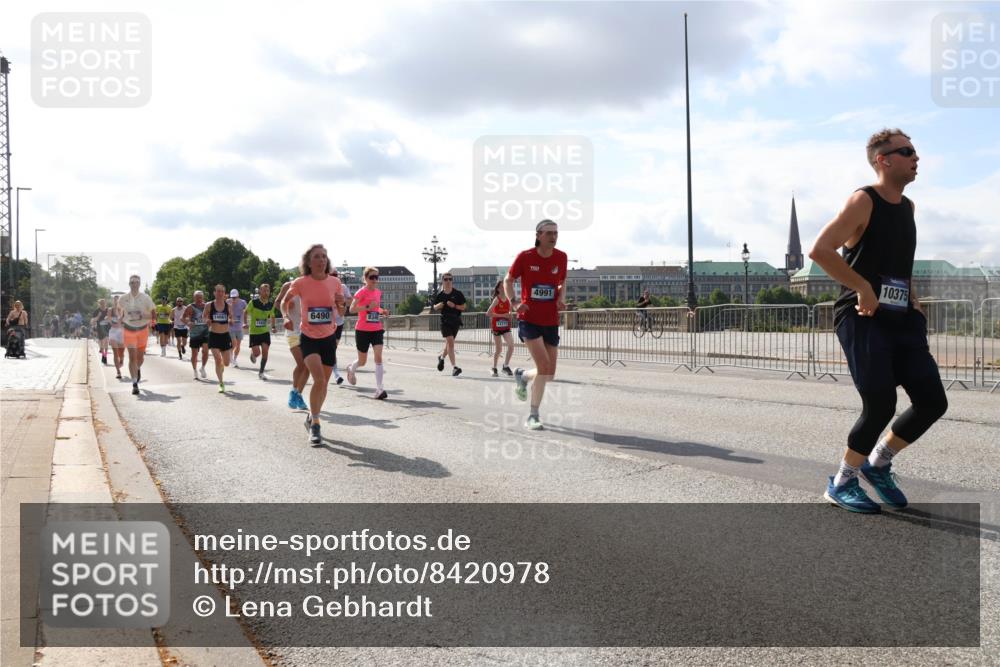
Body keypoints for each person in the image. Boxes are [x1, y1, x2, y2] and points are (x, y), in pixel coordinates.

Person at [809, 128, 947, 514]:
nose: (915, 156)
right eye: (906, 151)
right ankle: (842, 481)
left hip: (902, 318)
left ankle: (879, 462)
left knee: (932, 401)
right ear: (882, 160)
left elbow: (898, 263)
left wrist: (914, 301)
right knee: (881, 401)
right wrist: (862, 288)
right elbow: (820, 250)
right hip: (862, 316)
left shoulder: (908, 207)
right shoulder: (863, 200)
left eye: (916, 150)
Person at [505, 219, 568, 430]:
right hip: (529, 319)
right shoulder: (525, 257)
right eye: (549, 233)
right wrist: (514, 302)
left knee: (549, 374)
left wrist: (560, 298)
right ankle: (533, 415)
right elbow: (508, 280)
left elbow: (561, 282)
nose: (553, 237)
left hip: (551, 320)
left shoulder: (561, 257)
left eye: (556, 233)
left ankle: (522, 376)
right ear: (538, 235)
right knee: (543, 366)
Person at [281, 244, 346, 444]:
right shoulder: (301, 282)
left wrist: (341, 304)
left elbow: (341, 312)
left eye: (324, 257)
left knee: (324, 383)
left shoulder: (335, 283)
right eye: (317, 257)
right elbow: (284, 301)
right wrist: (285, 316)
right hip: (308, 338)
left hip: (328, 337)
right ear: (309, 262)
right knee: (318, 379)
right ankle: (316, 425)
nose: (321, 260)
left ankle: (311, 416)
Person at [345, 267, 389, 399]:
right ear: (365, 279)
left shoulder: (378, 292)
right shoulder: (361, 292)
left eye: (377, 277)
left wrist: (382, 311)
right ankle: (351, 368)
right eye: (372, 277)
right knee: (362, 361)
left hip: (376, 328)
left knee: (378, 357)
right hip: (362, 330)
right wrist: (366, 307)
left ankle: (379, 390)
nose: (375, 280)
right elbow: (352, 309)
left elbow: (375, 308)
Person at [274, 277, 309, 410]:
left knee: (307, 367)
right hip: (292, 330)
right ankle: (294, 391)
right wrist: (287, 309)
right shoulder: (288, 285)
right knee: (302, 364)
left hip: (308, 330)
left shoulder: (312, 286)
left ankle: (298, 394)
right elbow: (278, 303)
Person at [119, 275, 156, 395]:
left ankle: (138, 368)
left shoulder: (146, 298)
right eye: (132, 282)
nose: (134, 284)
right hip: (128, 331)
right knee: (132, 357)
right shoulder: (123, 298)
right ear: (129, 284)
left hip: (142, 330)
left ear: (139, 284)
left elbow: (153, 315)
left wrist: (141, 316)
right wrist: (119, 319)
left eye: (136, 282)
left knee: (140, 358)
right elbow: (119, 313)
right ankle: (134, 383)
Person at [432, 272, 466, 376]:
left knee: (449, 345)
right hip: (445, 322)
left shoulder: (458, 293)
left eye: (450, 279)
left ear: (452, 280)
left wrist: (454, 306)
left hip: (455, 321)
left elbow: (464, 307)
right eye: (446, 279)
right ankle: (454, 367)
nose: (448, 281)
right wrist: (438, 306)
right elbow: (434, 307)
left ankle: (441, 358)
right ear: (442, 281)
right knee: (451, 342)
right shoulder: (440, 295)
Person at [245, 283, 278, 380]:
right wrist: (244, 323)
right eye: (264, 290)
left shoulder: (270, 304)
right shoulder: (253, 302)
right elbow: (245, 312)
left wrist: (273, 327)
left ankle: (261, 372)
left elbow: (272, 316)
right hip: (254, 332)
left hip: (264, 332)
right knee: (257, 353)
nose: (266, 292)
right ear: (260, 291)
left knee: (265, 352)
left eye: (267, 291)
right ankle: (253, 354)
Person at [205, 285, 234, 393]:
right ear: (214, 293)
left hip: (225, 335)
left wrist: (231, 320)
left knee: (226, 363)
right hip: (214, 335)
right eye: (218, 291)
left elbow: (231, 316)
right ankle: (221, 383)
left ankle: (221, 366)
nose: (220, 293)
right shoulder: (209, 305)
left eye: (222, 291)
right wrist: (207, 320)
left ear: (224, 293)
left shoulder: (228, 305)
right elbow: (204, 316)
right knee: (217, 359)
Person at [485, 279, 514, 377]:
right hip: (496, 327)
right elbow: (488, 313)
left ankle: (505, 366)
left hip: (506, 326)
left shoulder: (509, 299)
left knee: (511, 345)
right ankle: (494, 368)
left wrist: (510, 315)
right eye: (501, 287)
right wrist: (502, 316)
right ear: (498, 289)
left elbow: (509, 313)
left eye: (504, 286)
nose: (503, 288)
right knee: (499, 349)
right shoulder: (497, 299)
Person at [330, 269, 353, 385]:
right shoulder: (324, 286)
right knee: (330, 350)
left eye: (336, 275)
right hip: (326, 323)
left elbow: (350, 300)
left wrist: (342, 300)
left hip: (338, 323)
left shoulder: (342, 287)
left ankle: (334, 372)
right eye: (332, 275)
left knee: (332, 349)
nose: (335, 277)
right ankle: (336, 374)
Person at [184, 291, 209, 380]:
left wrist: (209, 321)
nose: (199, 299)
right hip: (194, 333)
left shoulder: (207, 306)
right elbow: (183, 318)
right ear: (194, 298)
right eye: (197, 297)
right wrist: (188, 322)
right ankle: (195, 370)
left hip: (205, 332)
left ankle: (202, 367)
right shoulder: (190, 307)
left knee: (205, 351)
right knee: (194, 354)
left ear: (203, 297)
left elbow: (210, 317)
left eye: (200, 297)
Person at [227, 289, 248, 368]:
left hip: (239, 326)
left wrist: (245, 320)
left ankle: (234, 359)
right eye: (232, 297)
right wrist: (228, 319)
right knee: (234, 343)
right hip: (231, 327)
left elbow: (247, 311)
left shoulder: (243, 302)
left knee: (238, 345)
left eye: (235, 297)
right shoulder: (227, 302)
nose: (233, 299)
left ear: (238, 296)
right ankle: (230, 354)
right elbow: (223, 312)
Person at [108, 296, 126, 378]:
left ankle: (121, 360)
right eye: (115, 301)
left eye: (118, 301)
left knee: (121, 353)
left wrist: (122, 324)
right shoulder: (110, 310)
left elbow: (126, 320)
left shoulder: (123, 310)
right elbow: (109, 319)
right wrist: (113, 324)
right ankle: (118, 372)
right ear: (113, 302)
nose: (116, 302)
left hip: (121, 332)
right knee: (115, 353)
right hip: (113, 332)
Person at [91, 298, 111, 365]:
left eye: (103, 303)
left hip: (107, 328)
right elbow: (93, 321)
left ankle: (105, 356)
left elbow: (111, 319)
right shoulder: (96, 311)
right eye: (101, 303)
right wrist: (98, 316)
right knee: (102, 344)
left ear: (105, 303)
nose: (102, 304)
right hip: (100, 328)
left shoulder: (108, 310)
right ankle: (103, 355)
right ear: (99, 304)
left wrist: (108, 318)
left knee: (106, 342)